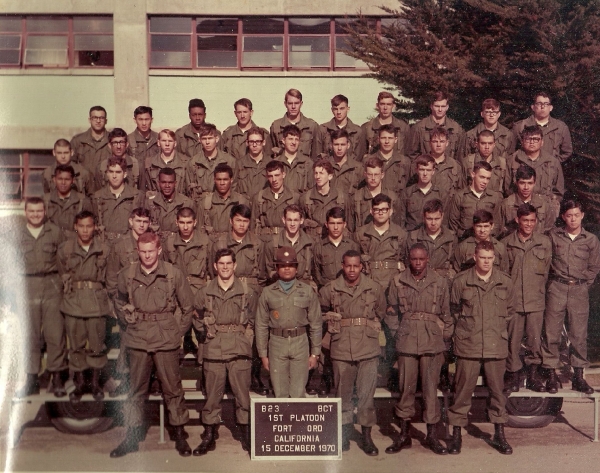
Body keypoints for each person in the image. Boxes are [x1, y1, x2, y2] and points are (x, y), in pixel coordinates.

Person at [110, 231, 195, 457]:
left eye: (151, 251)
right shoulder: (127, 274)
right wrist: (128, 322)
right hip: (137, 337)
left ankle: (179, 434)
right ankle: (132, 436)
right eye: (143, 251)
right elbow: (118, 300)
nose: (147, 256)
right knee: (135, 389)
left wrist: (177, 331)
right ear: (138, 251)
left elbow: (188, 308)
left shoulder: (173, 274)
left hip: (165, 336)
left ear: (159, 250)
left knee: (172, 388)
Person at [447, 240, 515, 455]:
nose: (486, 261)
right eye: (482, 257)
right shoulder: (461, 281)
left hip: (495, 343)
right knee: (462, 391)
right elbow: (454, 310)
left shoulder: (504, 282)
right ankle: (456, 434)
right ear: (475, 257)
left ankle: (499, 434)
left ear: (494, 258)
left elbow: (510, 311)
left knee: (497, 392)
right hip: (469, 344)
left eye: (490, 258)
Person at [384, 243, 453, 455]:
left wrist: (444, 338)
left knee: (431, 390)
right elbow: (391, 312)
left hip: (431, 341)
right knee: (406, 388)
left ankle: (431, 435)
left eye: (421, 259)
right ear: (408, 259)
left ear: (428, 259)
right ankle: (404, 435)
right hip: (407, 340)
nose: (417, 263)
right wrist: (398, 333)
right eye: (413, 259)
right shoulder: (398, 281)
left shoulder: (439, 282)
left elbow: (447, 315)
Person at [319, 250, 386, 456]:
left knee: (366, 396)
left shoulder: (373, 288)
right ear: (342, 265)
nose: (351, 270)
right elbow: (319, 313)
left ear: (361, 267)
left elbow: (381, 312)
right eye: (348, 265)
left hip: (367, 347)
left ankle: (366, 437)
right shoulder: (330, 289)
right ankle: (345, 433)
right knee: (343, 395)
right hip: (341, 347)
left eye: (356, 266)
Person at [191, 248, 257, 455]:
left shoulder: (247, 292)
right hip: (214, 348)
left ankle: (246, 433)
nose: (225, 267)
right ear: (215, 266)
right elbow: (196, 317)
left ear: (235, 265)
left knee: (242, 396)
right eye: (221, 263)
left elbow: (255, 320)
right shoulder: (205, 292)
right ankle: (210, 434)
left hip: (239, 349)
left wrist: (247, 340)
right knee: (212, 397)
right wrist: (205, 332)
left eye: (229, 263)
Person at [541, 200, 600, 394]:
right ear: (563, 216)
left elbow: (593, 268)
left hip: (579, 290)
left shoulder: (591, 240)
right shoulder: (553, 236)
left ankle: (579, 377)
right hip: (557, 287)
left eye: (576, 214)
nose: (573, 218)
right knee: (551, 332)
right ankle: (551, 376)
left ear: (582, 215)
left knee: (578, 335)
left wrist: (582, 286)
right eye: (569, 215)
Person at [13, 197, 68, 398]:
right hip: (27, 285)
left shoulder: (54, 232)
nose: (36, 215)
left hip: (51, 285)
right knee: (30, 334)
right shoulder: (18, 234)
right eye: (31, 211)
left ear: (44, 211)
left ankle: (58, 379)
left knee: (55, 334)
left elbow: (64, 261)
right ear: (26, 212)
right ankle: (31, 380)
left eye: (39, 211)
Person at [211, 204, 267, 395]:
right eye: (238, 220)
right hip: (227, 291)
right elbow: (214, 270)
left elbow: (263, 273)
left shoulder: (258, 243)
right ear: (230, 221)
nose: (241, 225)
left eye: (245, 221)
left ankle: (253, 374)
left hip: (251, 292)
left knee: (253, 334)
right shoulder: (220, 243)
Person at [57, 210, 111, 403]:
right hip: (74, 302)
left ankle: (96, 384)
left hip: (96, 302)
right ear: (75, 227)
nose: (85, 230)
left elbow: (110, 278)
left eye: (89, 226)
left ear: (95, 227)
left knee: (97, 345)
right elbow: (61, 273)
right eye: (82, 226)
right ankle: (79, 385)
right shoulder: (66, 249)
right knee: (76, 346)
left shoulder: (103, 248)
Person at [255, 246, 322, 398]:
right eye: (283, 266)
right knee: (280, 392)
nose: (287, 269)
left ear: (296, 268)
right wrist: (263, 355)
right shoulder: (268, 292)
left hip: (300, 342)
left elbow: (316, 324)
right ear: (277, 268)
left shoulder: (307, 291)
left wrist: (315, 353)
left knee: (298, 392)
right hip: (277, 343)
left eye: (290, 265)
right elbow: (261, 325)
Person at [501, 204, 552, 393]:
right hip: (514, 301)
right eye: (525, 220)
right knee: (512, 341)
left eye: (532, 220)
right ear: (517, 220)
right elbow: (504, 273)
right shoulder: (507, 243)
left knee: (534, 340)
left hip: (535, 300)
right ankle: (513, 375)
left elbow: (547, 271)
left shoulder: (544, 242)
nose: (529, 224)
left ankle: (533, 376)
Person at [105, 207, 151, 397]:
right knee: (127, 340)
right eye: (138, 220)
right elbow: (111, 278)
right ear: (131, 221)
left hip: (147, 302)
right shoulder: (120, 245)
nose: (141, 225)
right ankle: (124, 380)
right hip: (127, 302)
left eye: (145, 221)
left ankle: (148, 381)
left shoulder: (152, 242)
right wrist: (119, 304)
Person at [163, 206, 211, 361]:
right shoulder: (170, 243)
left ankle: (204, 366)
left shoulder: (205, 241)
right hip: (178, 293)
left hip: (199, 290)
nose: (185, 226)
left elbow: (211, 269)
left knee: (202, 330)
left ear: (195, 222)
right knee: (175, 328)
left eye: (189, 222)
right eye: (182, 222)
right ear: (176, 222)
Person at [506, 125, 564, 221]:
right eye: (528, 139)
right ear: (522, 141)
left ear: (542, 142)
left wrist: (551, 206)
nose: (532, 142)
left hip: (544, 210)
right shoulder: (512, 160)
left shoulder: (552, 162)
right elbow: (507, 187)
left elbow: (558, 191)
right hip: (518, 208)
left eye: (536, 139)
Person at [355, 193, 408, 290]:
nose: (380, 212)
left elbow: (405, 259)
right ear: (371, 211)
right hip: (369, 281)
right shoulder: (361, 233)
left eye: (384, 209)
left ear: (390, 211)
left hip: (393, 282)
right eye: (376, 209)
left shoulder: (401, 234)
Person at [92, 157, 143, 243]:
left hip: (128, 244)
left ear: (125, 174)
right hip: (105, 243)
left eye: (118, 172)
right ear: (107, 173)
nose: (114, 176)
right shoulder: (98, 197)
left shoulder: (136, 195)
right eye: (111, 172)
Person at [448, 161, 503, 240]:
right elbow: (453, 223)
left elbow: (497, 223)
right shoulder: (460, 196)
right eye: (482, 177)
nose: (485, 182)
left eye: (488, 178)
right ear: (473, 175)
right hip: (465, 241)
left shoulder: (494, 197)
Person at [512, 91, 573, 163]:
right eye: (539, 103)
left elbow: (567, 151)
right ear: (533, 107)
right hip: (526, 170)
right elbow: (510, 150)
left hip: (549, 171)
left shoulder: (561, 127)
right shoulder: (520, 126)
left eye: (546, 104)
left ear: (551, 108)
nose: (542, 107)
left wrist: (553, 163)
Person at [406, 198, 457, 281]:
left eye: (437, 219)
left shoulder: (451, 237)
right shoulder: (414, 237)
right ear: (423, 217)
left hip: (443, 282)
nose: (433, 223)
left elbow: (455, 266)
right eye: (429, 219)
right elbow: (407, 263)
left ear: (442, 216)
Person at [264, 204, 315, 287]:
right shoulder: (272, 244)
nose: (292, 224)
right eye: (289, 220)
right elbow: (268, 271)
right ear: (283, 220)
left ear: (301, 221)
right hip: (280, 288)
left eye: (295, 220)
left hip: (303, 289)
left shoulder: (310, 244)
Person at [184, 123, 236, 202]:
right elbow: (189, 190)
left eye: (210, 138)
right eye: (204, 139)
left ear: (217, 139)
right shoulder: (193, 162)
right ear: (199, 140)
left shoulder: (229, 161)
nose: (207, 142)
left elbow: (234, 187)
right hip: (200, 205)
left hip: (222, 204)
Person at [300, 159, 351, 239]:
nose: (318, 177)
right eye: (316, 173)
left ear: (330, 176)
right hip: (312, 243)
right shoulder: (305, 198)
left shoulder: (342, 198)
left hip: (335, 244)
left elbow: (349, 226)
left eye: (321, 173)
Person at [407, 91, 464, 161]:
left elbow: (460, 157)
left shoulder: (456, 129)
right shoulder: (419, 128)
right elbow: (412, 156)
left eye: (443, 106)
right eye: (437, 106)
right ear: (431, 106)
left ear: (447, 107)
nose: (440, 109)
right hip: (426, 170)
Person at [500, 164, 554, 237]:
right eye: (522, 183)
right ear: (516, 183)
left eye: (530, 183)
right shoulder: (506, 204)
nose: (526, 187)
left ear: (534, 183)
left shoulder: (543, 205)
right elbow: (498, 231)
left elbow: (549, 231)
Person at [197, 163, 249, 239]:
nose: (222, 183)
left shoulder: (241, 201)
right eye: (219, 179)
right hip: (211, 245)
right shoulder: (205, 202)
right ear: (214, 180)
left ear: (231, 180)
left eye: (225, 179)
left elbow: (247, 230)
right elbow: (199, 231)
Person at [313, 207, 360, 288]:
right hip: (326, 290)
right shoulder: (319, 247)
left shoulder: (352, 246)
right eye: (332, 223)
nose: (335, 227)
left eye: (339, 223)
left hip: (347, 291)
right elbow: (317, 275)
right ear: (326, 224)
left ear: (344, 224)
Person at [458, 98, 516, 164]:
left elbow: (511, 160)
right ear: (482, 114)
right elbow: (462, 160)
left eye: (494, 112)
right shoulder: (470, 135)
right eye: (488, 112)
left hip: (499, 172)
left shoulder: (508, 135)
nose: (491, 115)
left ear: (499, 114)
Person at [398, 154, 447, 231]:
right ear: (416, 170)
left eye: (428, 170)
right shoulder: (407, 193)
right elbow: (401, 222)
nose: (425, 174)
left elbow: (444, 223)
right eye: (422, 169)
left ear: (433, 171)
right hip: (412, 239)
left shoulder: (441, 194)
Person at [251, 160, 299, 237]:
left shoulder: (294, 197)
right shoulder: (259, 198)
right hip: (265, 240)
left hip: (286, 239)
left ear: (283, 174)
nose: (274, 180)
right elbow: (252, 224)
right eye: (270, 176)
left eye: (277, 175)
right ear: (267, 177)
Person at [44, 164, 93, 239]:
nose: (63, 182)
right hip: (51, 243)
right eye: (60, 179)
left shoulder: (83, 201)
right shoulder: (46, 200)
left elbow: (90, 227)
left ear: (73, 180)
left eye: (67, 179)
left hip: (75, 244)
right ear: (54, 180)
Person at [144, 167, 195, 239]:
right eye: (163, 182)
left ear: (175, 183)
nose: (167, 186)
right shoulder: (150, 203)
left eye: (170, 182)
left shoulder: (187, 203)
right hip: (156, 244)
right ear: (159, 183)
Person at [270, 88, 319, 160]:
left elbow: (316, 155)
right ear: (285, 104)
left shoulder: (311, 126)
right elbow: (270, 154)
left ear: (301, 104)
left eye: (296, 103)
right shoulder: (276, 126)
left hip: (305, 169)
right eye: (290, 103)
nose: (293, 107)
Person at [353, 156, 400, 229]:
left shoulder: (392, 197)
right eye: (370, 174)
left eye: (376, 174)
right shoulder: (356, 197)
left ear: (382, 175)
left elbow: (397, 224)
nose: (373, 178)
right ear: (365, 174)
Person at [368, 124, 412, 197]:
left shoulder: (405, 161)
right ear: (378, 139)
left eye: (390, 138)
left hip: (398, 204)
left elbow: (408, 187)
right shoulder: (369, 160)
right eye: (383, 138)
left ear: (395, 140)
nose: (387, 141)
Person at [317, 94, 366, 159]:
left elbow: (360, 158)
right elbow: (317, 156)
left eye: (342, 108)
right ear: (332, 110)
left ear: (348, 109)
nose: (339, 112)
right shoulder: (323, 130)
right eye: (335, 109)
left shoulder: (357, 131)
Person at [361, 91, 410, 155]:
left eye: (388, 104)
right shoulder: (367, 128)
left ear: (393, 106)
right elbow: (362, 154)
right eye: (382, 104)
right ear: (377, 105)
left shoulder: (403, 127)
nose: (385, 108)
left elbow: (408, 153)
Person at [142, 129, 188, 194]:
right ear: (158, 143)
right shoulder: (149, 163)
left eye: (170, 141)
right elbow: (143, 189)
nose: (167, 144)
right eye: (163, 141)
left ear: (175, 143)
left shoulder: (185, 162)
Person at [462, 130, 508, 194]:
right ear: (477, 144)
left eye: (490, 143)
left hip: (495, 201)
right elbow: (463, 187)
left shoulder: (502, 163)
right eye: (483, 143)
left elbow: (506, 188)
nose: (487, 147)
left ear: (494, 145)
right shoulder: (468, 162)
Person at [70, 105, 111, 175]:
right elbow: (70, 164)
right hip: (84, 184)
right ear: (90, 120)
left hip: (105, 183)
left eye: (101, 118)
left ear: (106, 121)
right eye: (95, 118)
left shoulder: (112, 140)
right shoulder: (78, 140)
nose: (98, 121)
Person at [426, 126, 464, 201]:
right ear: (430, 143)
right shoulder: (422, 163)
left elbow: (460, 192)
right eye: (435, 141)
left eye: (442, 141)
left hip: (448, 208)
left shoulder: (455, 166)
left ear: (447, 143)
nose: (438, 145)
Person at [273, 124, 313, 195]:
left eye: (296, 139)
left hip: (300, 204)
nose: (294, 143)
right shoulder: (275, 163)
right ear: (283, 140)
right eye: (290, 139)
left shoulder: (308, 163)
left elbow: (312, 189)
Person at [233, 127, 271, 201]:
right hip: (244, 206)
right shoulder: (239, 164)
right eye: (251, 142)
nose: (254, 145)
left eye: (258, 141)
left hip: (264, 205)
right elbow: (234, 188)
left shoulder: (271, 163)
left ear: (263, 142)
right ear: (247, 143)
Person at [128, 105, 160, 191]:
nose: (144, 123)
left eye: (147, 119)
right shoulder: (129, 140)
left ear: (151, 120)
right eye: (140, 119)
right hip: (136, 187)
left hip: (155, 187)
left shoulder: (158, 139)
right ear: (135, 120)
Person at [325, 128, 364, 196]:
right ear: (331, 145)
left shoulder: (358, 168)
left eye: (342, 144)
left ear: (348, 145)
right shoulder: (325, 166)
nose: (339, 148)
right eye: (336, 144)